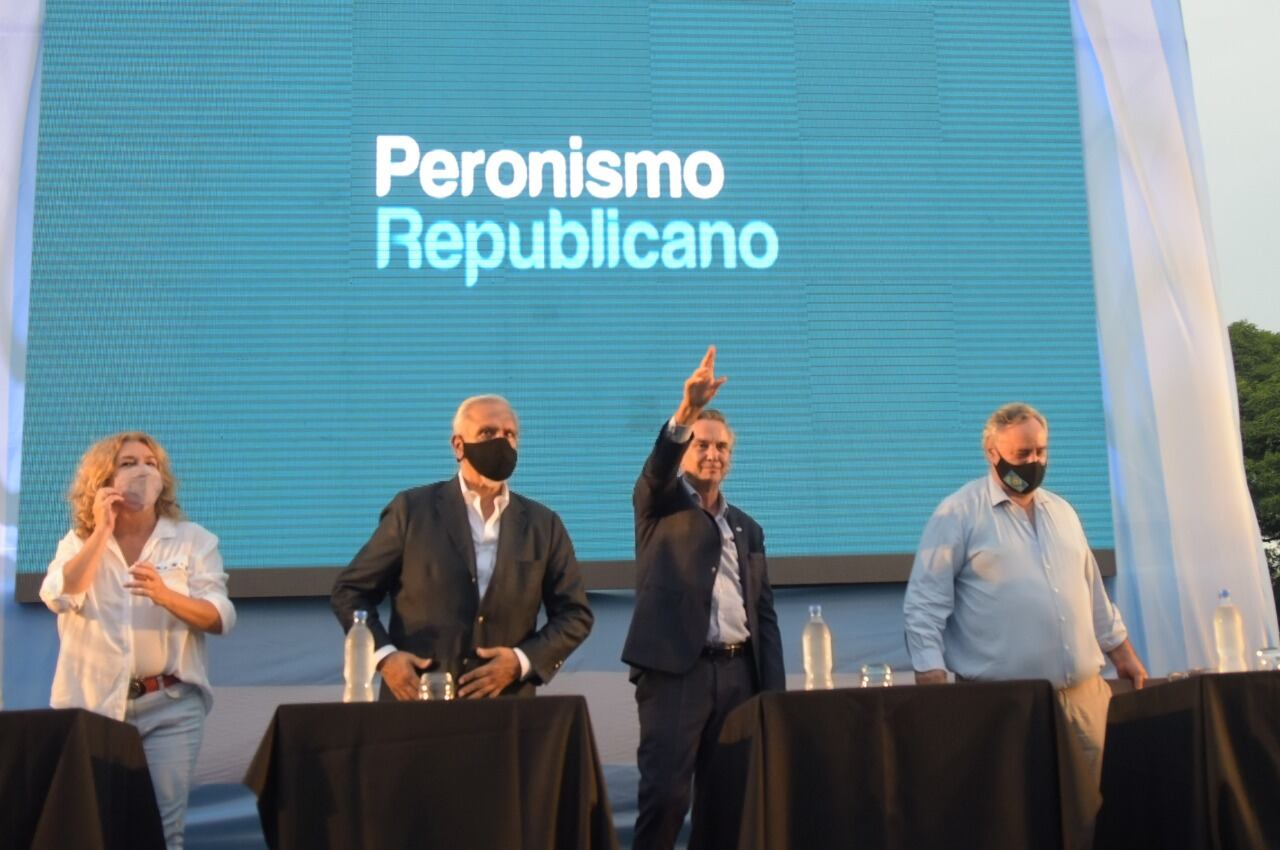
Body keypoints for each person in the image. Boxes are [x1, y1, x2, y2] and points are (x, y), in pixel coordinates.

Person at [903, 402, 1147, 781]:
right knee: (1014, 815)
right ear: (992, 453)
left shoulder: (1063, 512)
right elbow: (923, 607)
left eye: (1040, 451)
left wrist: (1123, 652)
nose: (1033, 461)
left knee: (1096, 819)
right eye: (1021, 454)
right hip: (1001, 706)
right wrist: (932, 681)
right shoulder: (958, 514)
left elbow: (1092, 592)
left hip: (1083, 700)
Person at [623, 346, 786, 850]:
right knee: (667, 799)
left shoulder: (747, 527)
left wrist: (773, 694)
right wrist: (686, 412)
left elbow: (763, 614)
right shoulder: (660, 506)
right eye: (702, 445)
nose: (712, 454)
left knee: (729, 805)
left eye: (722, 448)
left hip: (740, 675)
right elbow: (656, 469)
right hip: (677, 675)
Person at [41, 432, 237, 850]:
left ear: (163, 479)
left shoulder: (193, 540)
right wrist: (100, 534)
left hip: (169, 706)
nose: (142, 470)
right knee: (92, 828)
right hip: (92, 706)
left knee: (165, 834)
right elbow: (58, 594)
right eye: (128, 463)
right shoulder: (76, 543)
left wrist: (166, 595)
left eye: (151, 463)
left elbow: (221, 617)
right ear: (104, 480)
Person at [331, 394, 593, 699]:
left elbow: (575, 614)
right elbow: (350, 592)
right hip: (419, 706)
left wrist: (522, 661)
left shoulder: (543, 524)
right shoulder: (413, 511)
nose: (501, 441)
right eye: (487, 432)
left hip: (507, 710)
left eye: (510, 434)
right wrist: (386, 658)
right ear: (458, 445)